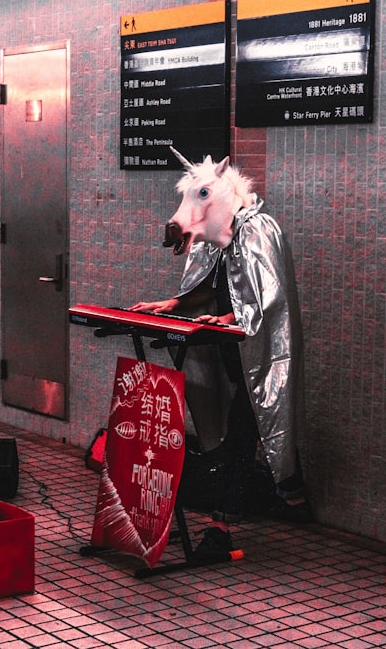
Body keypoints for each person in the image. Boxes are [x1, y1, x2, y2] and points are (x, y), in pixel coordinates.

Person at [130, 152, 309, 562]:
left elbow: (269, 293)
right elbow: (211, 280)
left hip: (259, 351)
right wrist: (174, 303)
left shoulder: (257, 228)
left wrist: (230, 315)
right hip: (232, 347)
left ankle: (219, 526)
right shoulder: (223, 235)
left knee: (245, 428)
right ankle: (293, 496)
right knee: (254, 424)